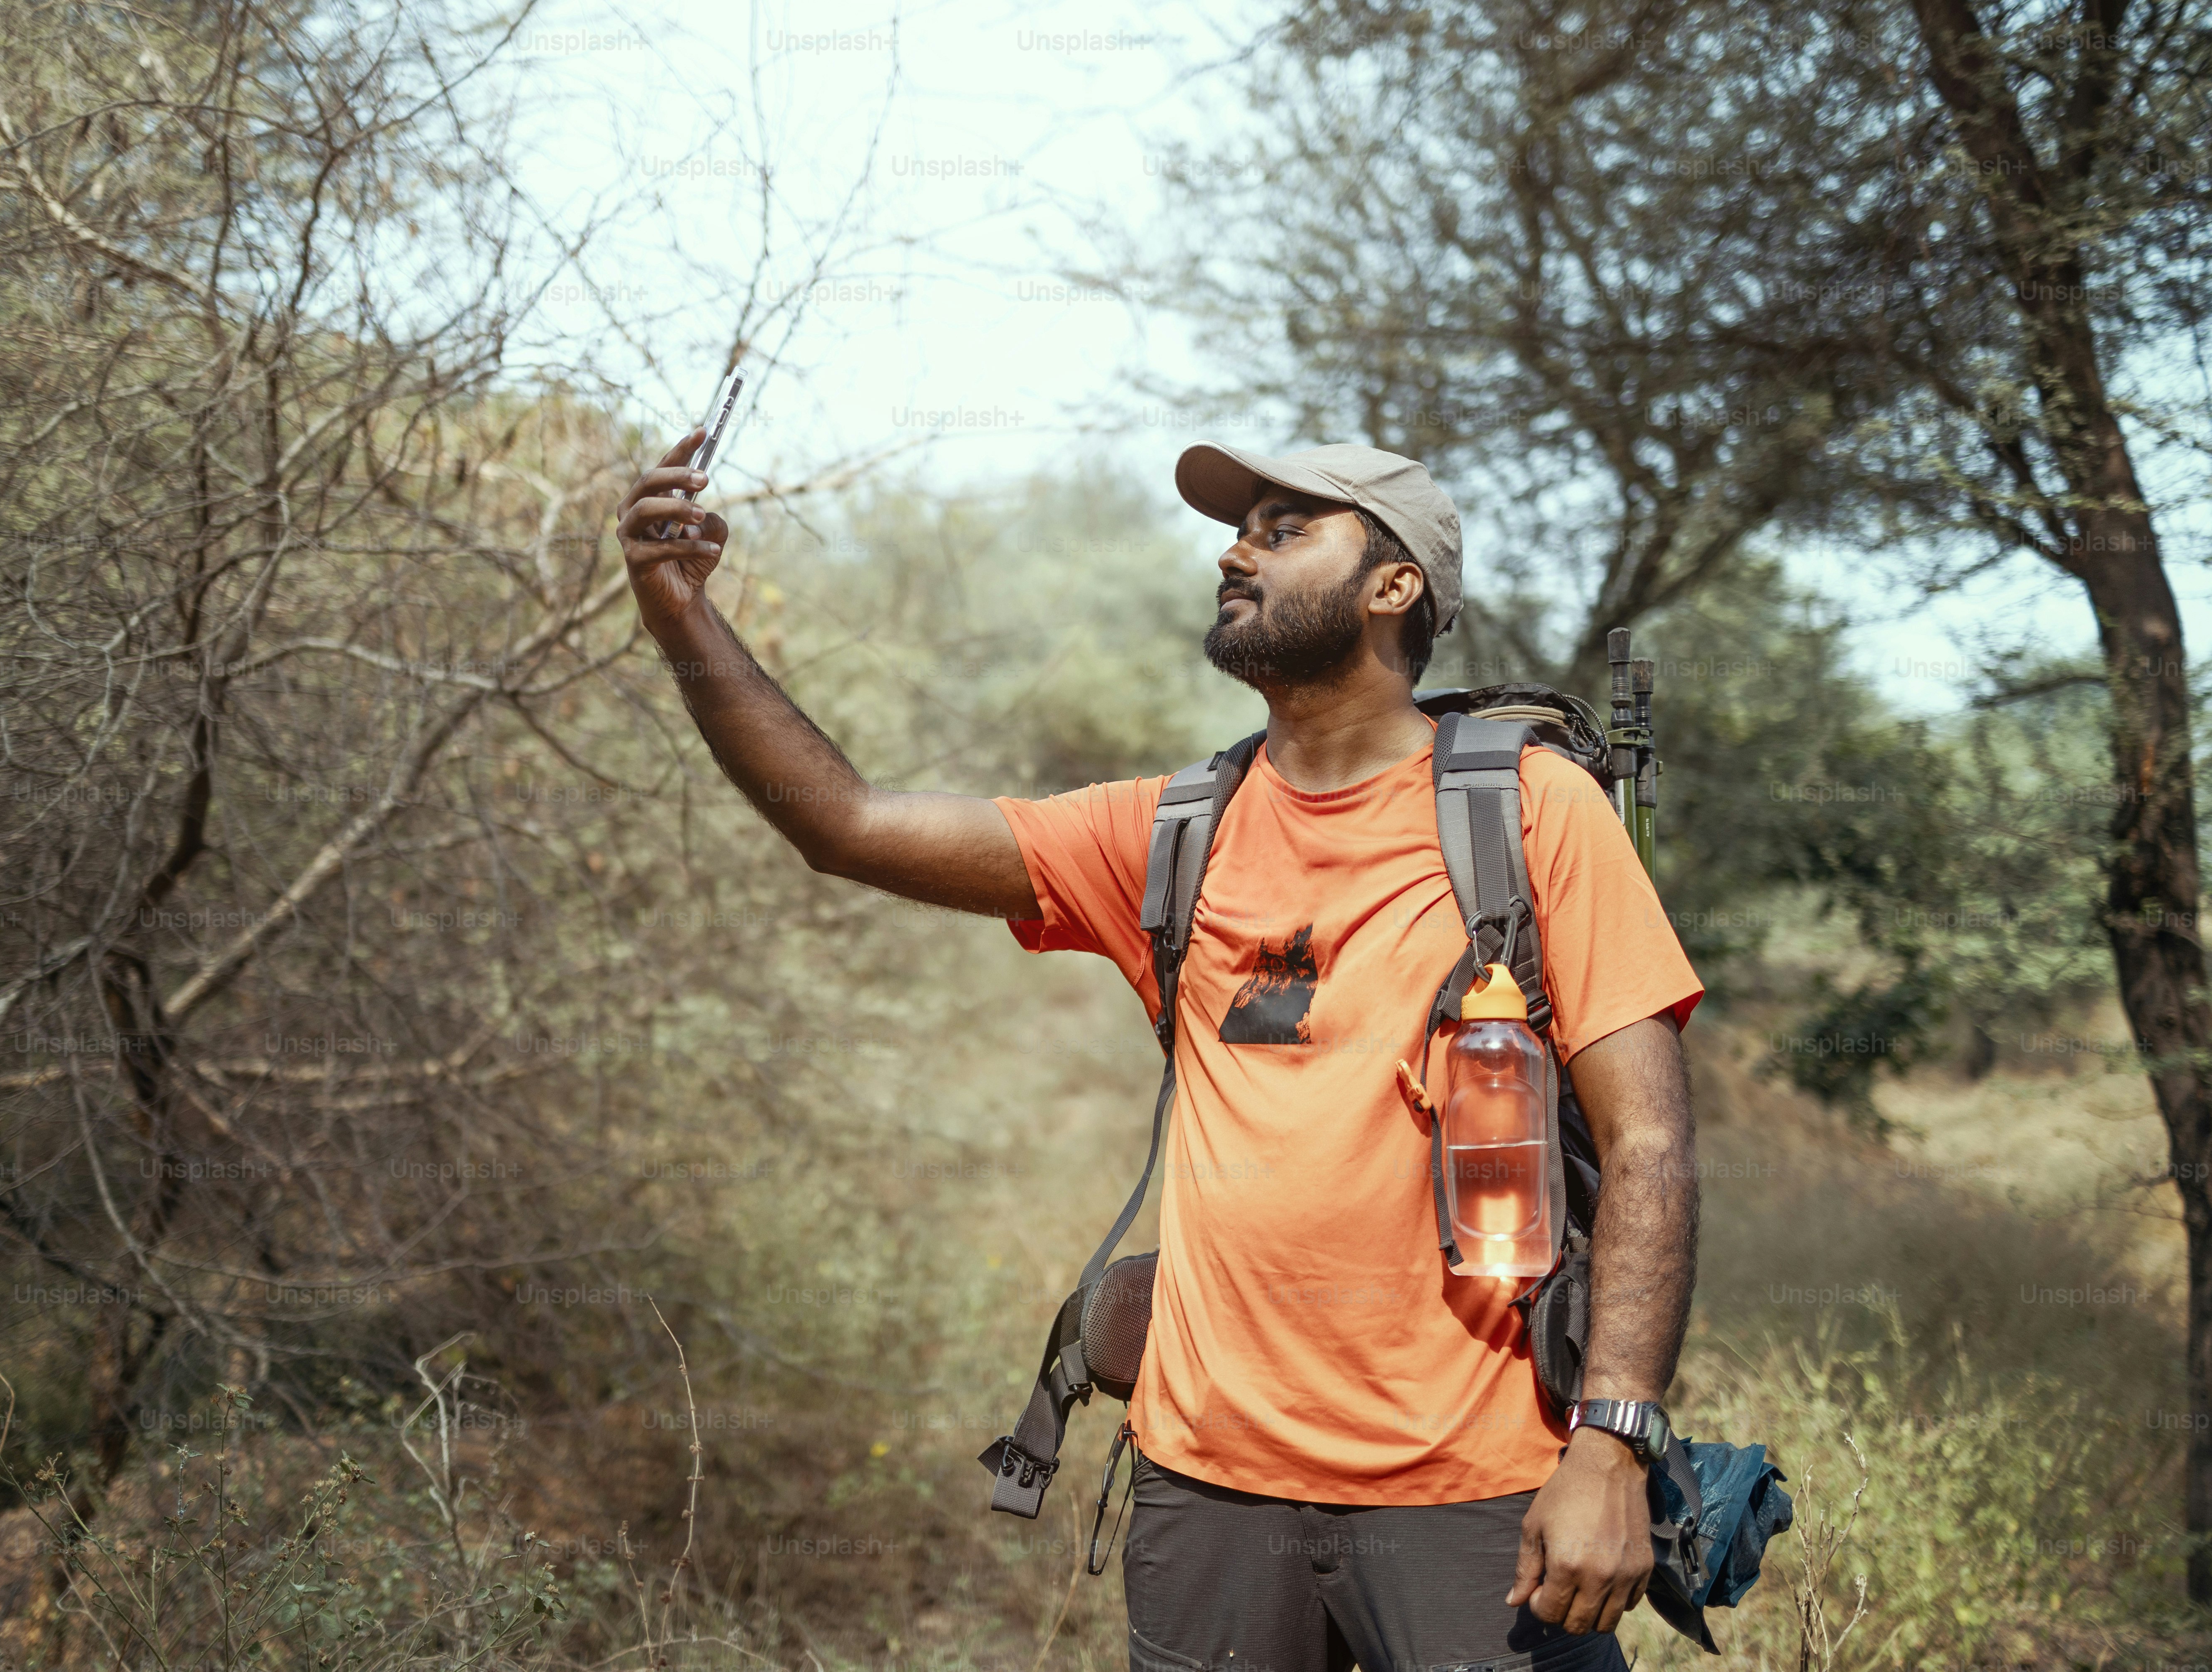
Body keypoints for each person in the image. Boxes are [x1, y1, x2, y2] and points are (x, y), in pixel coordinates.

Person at [616, 433, 1703, 1672]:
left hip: (1472, 1488)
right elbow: (849, 825)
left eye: (1288, 530)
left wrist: (1612, 1444)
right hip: (1207, 1488)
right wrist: (681, 620)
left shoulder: (1524, 811)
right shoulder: (1174, 830)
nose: (1237, 551)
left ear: (1394, 586)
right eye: (1243, 529)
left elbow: (1650, 1143)